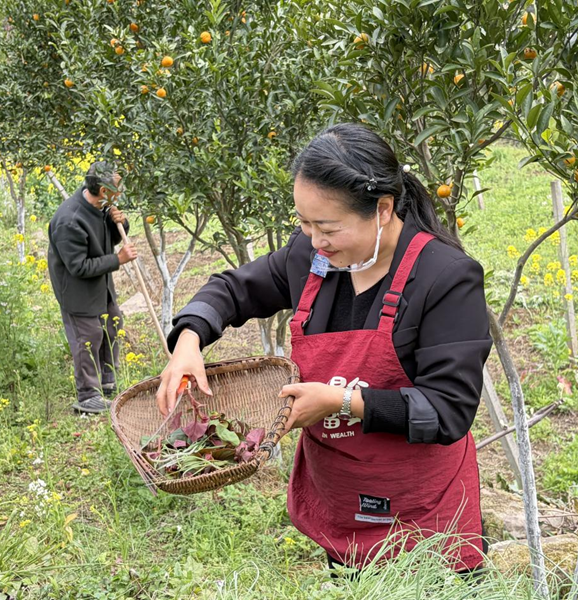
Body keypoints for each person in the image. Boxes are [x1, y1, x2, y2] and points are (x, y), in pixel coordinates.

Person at [157, 124, 492, 572]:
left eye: (328, 227)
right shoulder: (314, 257)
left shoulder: (445, 277)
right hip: (343, 506)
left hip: (425, 518)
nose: (315, 241)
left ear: (383, 209)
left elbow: (447, 410)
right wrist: (189, 338)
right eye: (304, 223)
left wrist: (340, 401)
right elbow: (233, 289)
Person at [48, 161, 138, 413]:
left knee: (112, 327)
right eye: (117, 188)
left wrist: (120, 223)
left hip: (101, 284)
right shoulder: (69, 221)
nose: (120, 193)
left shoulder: (101, 206)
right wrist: (118, 260)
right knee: (88, 337)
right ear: (103, 190)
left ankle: (107, 383)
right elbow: (78, 267)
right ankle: (88, 396)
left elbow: (109, 237)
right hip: (78, 291)